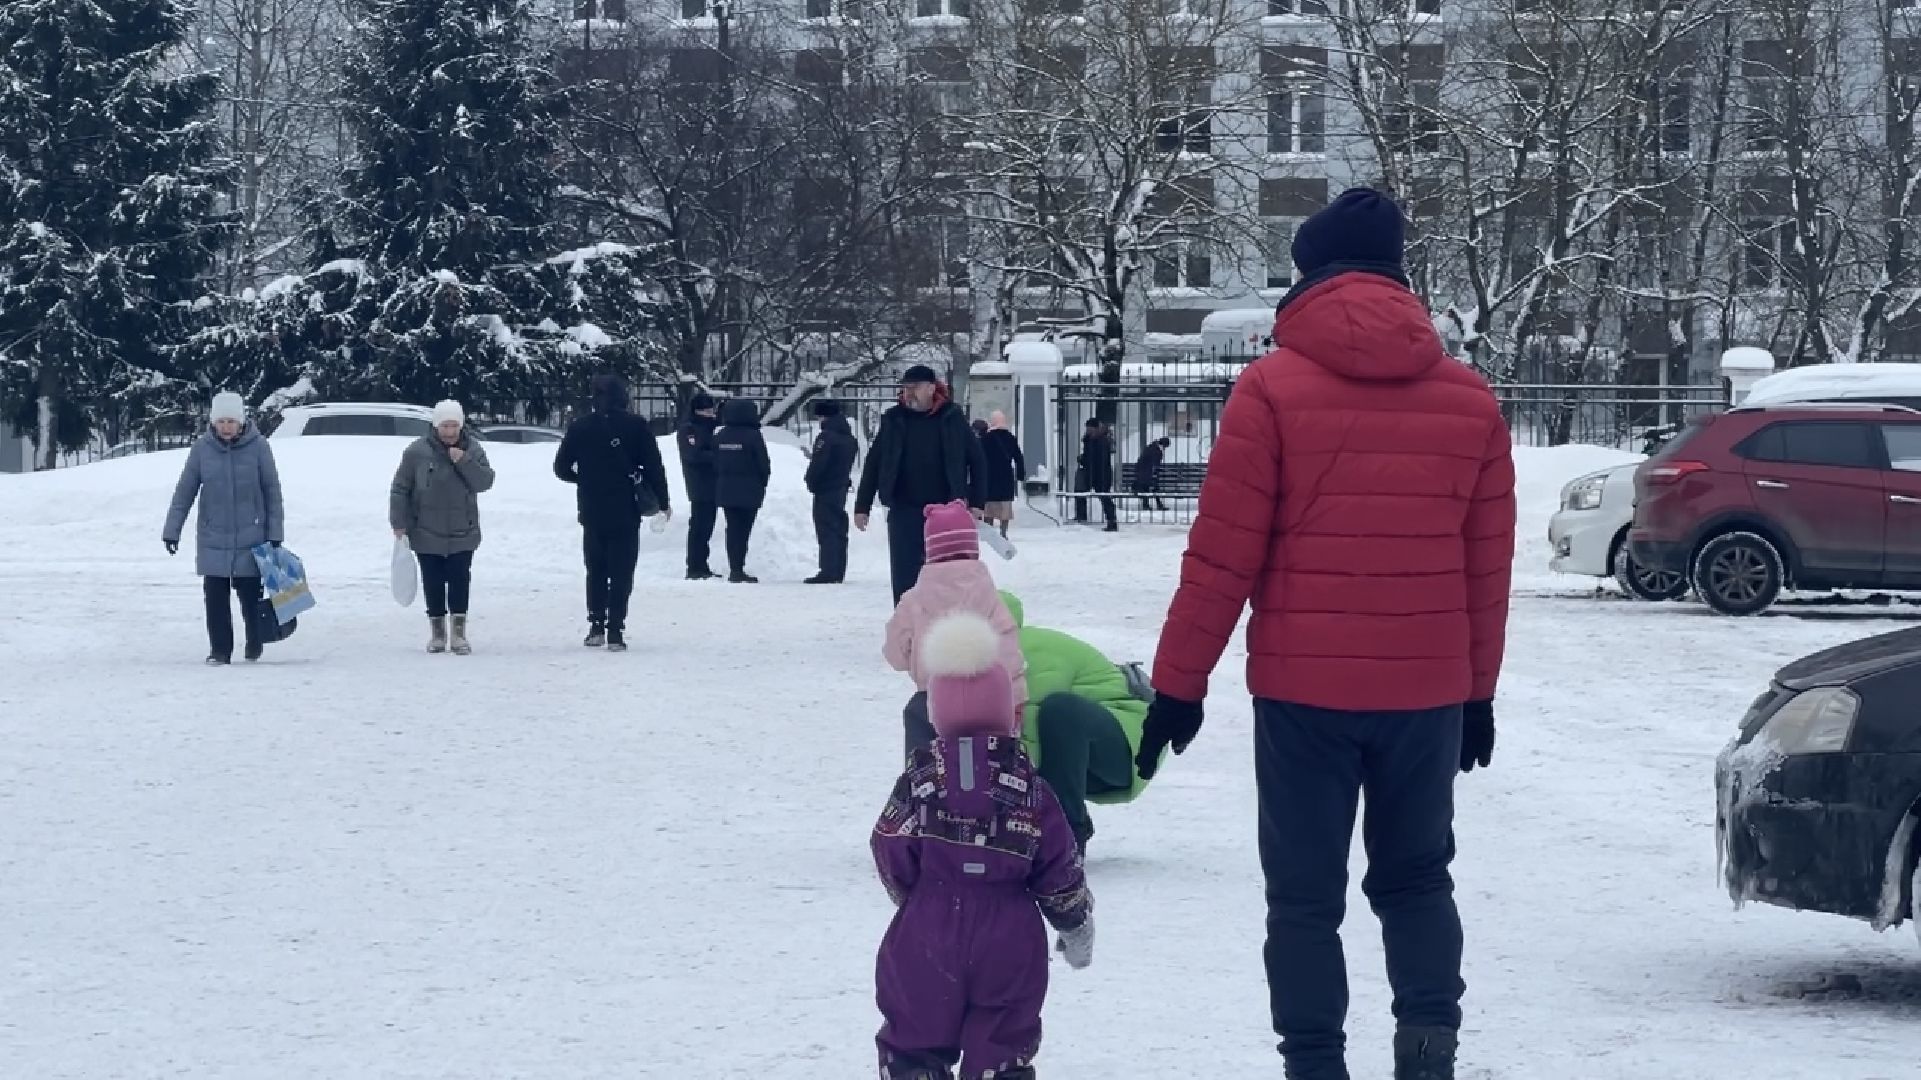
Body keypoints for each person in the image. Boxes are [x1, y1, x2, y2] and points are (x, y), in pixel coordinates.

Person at [1136, 187, 1516, 1080]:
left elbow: (1220, 557)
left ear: (1308, 275)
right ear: (1398, 278)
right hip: (1423, 695)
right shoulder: (1470, 400)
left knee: (1303, 901)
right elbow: (1484, 573)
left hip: (1303, 698)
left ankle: (1314, 1067)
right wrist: (1477, 695)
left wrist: (1176, 686)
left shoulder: (1269, 389)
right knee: (1417, 881)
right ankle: (1427, 1056)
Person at [872, 611, 1094, 1080]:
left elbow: (889, 841)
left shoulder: (918, 780)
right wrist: (1075, 924)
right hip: (1010, 934)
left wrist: (912, 892)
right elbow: (1060, 866)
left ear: (937, 714)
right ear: (1006, 713)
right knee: (1002, 1039)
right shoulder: (1033, 791)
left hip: (928, 926)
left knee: (914, 1034)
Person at [903, 589, 1154, 860]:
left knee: (1061, 711)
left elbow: (1023, 735)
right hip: (1072, 753)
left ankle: (1066, 835)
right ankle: (924, 823)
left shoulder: (1023, 655)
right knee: (922, 707)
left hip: (1129, 745)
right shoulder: (962, 671)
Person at [885, 501, 1025, 760]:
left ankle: (920, 785)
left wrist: (914, 659)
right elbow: (1008, 654)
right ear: (973, 548)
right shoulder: (991, 597)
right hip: (989, 701)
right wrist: (1015, 703)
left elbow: (895, 653)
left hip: (934, 701)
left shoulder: (914, 599)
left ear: (929, 551)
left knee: (917, 717)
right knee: (994, 762)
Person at [162, 391, 285, 665]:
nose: (226, 427)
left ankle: (255, 640)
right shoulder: (202, 449)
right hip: (212, 536)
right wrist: (172, 529)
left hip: (251, 536)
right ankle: (220, 650)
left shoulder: (259, 447)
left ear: (241, 421)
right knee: (215, 598)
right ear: (213, 422)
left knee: (250, 598)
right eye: (221, 421)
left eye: (231, 421)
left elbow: (272, 491)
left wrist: (275, 533)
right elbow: (185, 491)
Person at [554, 373, 672, 651]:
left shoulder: (580, 427)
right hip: (626, 508)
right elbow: (654, 467)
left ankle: (595, 626)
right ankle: (616, 631)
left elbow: (561, 467)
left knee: (595, 569)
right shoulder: (637, 426)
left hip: (592, 508)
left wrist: (583, 479)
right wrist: (663, 501)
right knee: (622, 571)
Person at [854, 364, 988, 605]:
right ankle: (906, 625)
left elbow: (977, 460)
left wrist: (977, 502)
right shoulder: (894, 420)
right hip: (904, 508)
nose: (909, 393)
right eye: (905, 388)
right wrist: (862, 505)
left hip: (946, 510)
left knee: (943, 570)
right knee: (905, 573)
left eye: (914, 387)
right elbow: (874, 462)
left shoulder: (951, 418)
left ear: (930, 388)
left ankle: (941, 626)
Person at [390, 400, 496, 655]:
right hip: (426, 530)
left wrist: (464, 461)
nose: (449, 432)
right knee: (433, 582)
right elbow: (400, 488)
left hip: (464, 531)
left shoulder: (473, 448)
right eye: (445, 426)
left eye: (454, 426)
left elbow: (485, 481)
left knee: (460, 580)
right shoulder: (417, 451)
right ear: (436, 426)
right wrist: (398, 522)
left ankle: (459, 634)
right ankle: (437, 633)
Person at [712, 396, 770, 584]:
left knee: (733, 529)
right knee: (743, 530)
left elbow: (714, 462)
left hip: (726, 489)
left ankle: (735, 567)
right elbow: (763, 464)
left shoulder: (721, 435)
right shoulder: (753, 436)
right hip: (750, 490)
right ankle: (738, 569)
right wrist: (762, 483)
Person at [804, 398, 858, 584]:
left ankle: (827, 570)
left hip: (826, 489)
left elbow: (819, 464)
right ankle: (838, 570)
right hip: (841, 487)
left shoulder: (827, 437)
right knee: (838, 528)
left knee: (826, 529)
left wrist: (811, 481)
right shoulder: (849, 438)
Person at [677, 393, 721, 580]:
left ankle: (701, 565)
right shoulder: (690, 430)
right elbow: (693, 455)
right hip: (699, 484)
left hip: (711, 484)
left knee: (706, 525)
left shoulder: (711, 428)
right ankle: (695, 566)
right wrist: (718, 456)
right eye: (706, 410)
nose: (710, 414)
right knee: (699, 527)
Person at [978, 410, 1025, 538]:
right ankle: (1003, 532)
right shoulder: (1010, 438)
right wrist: (1021, 474)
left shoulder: (985, 439)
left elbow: (979, 458)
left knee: (989, 505)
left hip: (990, 476)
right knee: (1005, 506)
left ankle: (989, 532)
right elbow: (1018, 457)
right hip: (1006, 476)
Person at [1075, 418, 1117, 532]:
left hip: (1101, 473)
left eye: (1090, 428)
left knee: (1104, 496)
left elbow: (1098, 459)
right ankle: (1081, 516)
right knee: (1080, 492)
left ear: (1096, 428)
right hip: (1091, 472)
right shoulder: (1090, 439)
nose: (1088, 430)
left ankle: (1112, 521)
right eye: (1087, 428)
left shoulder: (1102, 441)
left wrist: (1084, 459)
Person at [1133, 436, 1171, 511]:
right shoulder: (1156, 450)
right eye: (1165, 446)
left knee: (1149, 488)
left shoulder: (1152, 447)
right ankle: (1154, 505)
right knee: (1153, 487)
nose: (1165, 448)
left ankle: (1148, 504)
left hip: (1144, 471)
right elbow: (1155, 463)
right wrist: (1155, 471)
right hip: (1146, 472)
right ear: (1163, 444)